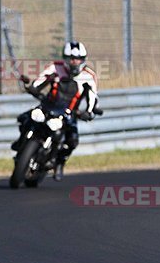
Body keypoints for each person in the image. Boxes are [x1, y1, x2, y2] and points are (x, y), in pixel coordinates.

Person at [14, 41, 99, 181]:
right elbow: (40, 80)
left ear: (83, 60)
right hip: (49, 105)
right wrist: (32, 87)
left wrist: (89, 111)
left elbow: (93, 97)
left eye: (77, 59)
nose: (74, 62)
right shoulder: (55, 67)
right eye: (71, 58)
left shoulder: (89, 76)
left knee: (72, 141)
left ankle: (59, 163)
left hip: (69, 113)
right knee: (26, 118)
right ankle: (21, 143)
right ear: (65, 58)